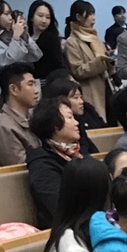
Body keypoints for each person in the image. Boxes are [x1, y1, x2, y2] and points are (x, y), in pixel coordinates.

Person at [25, 97, 87, 230]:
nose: (76, 123)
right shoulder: (42, 164)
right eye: (70, 117)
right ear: (54, 125)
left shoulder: (79, 154)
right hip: (67, 230)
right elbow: (59, 208)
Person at [63, 0, 113, 121]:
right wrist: (100, 62)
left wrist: (110, 59)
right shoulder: (72, 42)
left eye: (93, 14)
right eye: (89, 14)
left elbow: (106, 65)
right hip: (90, 91)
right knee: (98, 122)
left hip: (106, 86)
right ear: (78, 17)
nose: (93, 18)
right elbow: (78, 70)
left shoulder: (95, 38)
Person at [0, 63, 40, 168]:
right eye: (30, 84)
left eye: (35, 84)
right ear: (14, 89)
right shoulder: (3, 127)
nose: (36, 91)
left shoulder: (33, 118)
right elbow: (20, 169)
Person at [0, 0, 41, 89]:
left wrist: (25, 36)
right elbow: (7, 60)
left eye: (10, 13)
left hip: (24, 85)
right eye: (6, 14)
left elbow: (36, 56)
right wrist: (16, 37)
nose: (10, 18)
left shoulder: (13, 34)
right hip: (5, 88)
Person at [42, 74, 102, 152]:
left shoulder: (81, 118)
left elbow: (91, 151)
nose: (81, 101)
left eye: (81, 97)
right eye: (76, 98)